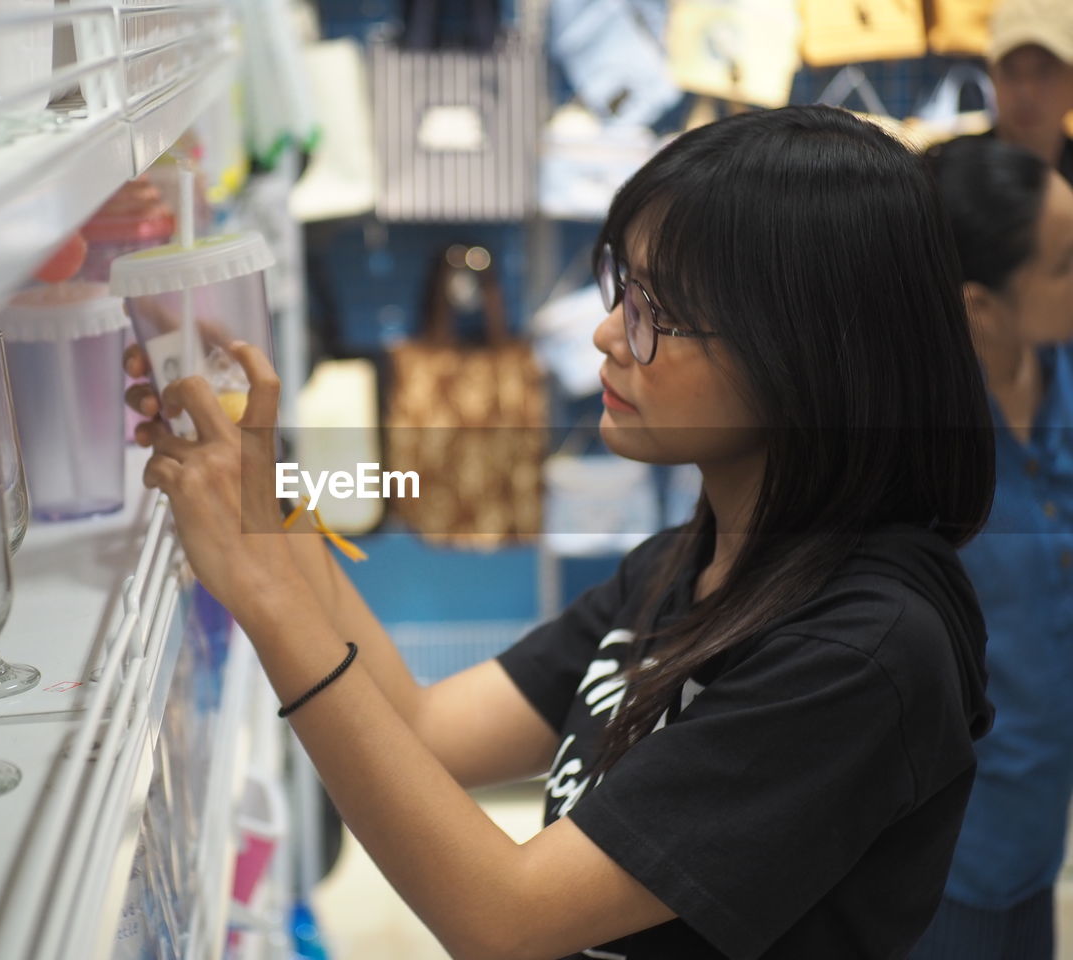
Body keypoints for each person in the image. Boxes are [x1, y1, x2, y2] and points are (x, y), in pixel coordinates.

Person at [124, 105, 996, 959]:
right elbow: (426, 729)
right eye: (624, 286)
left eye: (657, 310)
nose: (607, 333)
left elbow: (505, 921)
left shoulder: (862, 652)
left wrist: (267, 595)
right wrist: (265, 500)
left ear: (804, 354)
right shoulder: (689, 566)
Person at [913, 136, 1073, 959]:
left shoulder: (1062, 379)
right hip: (941, 868)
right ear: (982, 306)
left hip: (1037, 840)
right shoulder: (914, 455)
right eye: (1064, 264)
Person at [986, 0, 1073, 183]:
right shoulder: (948, 176)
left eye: (1044, 72)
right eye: (1010, 70)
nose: (1025, 92)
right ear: (993, 76)